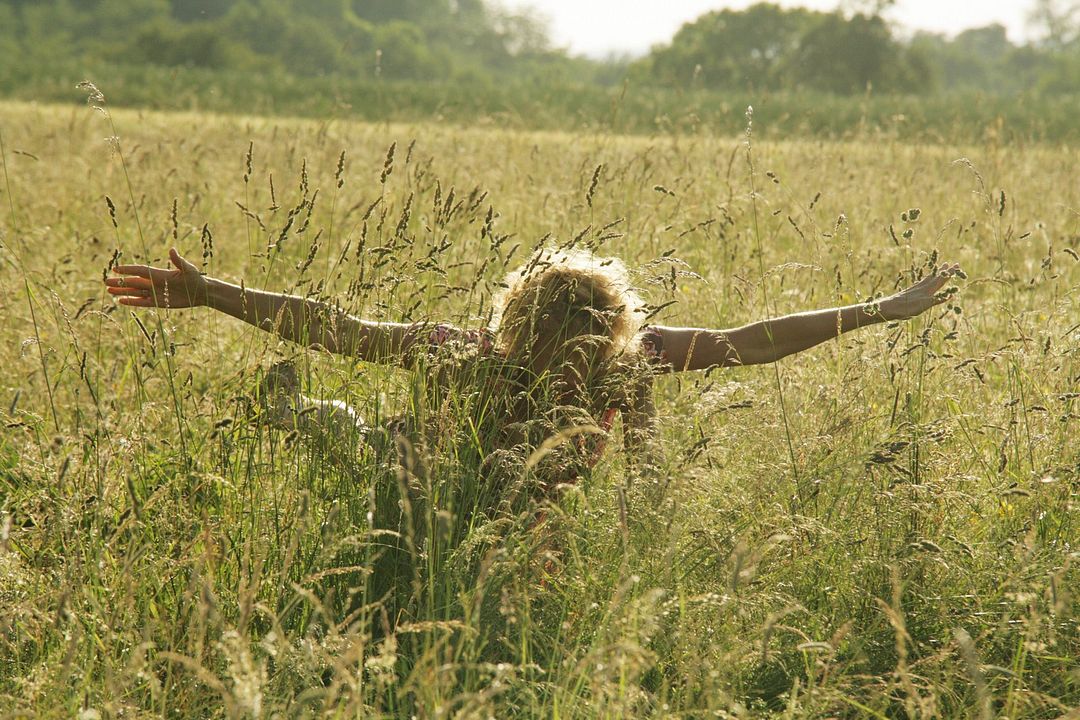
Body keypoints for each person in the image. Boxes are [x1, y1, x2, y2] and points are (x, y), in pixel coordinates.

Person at [105, 246, 962, 473]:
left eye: (592, 342)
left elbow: (754, 340)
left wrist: (883, 311)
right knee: (344, 430)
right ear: (520, 334)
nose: (575, 363)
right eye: (558, 343)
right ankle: (286, 410)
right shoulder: (465, 358)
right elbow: (340, 328)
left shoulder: (632, 364)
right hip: (415, 476)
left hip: (522, 520)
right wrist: (213, 292)